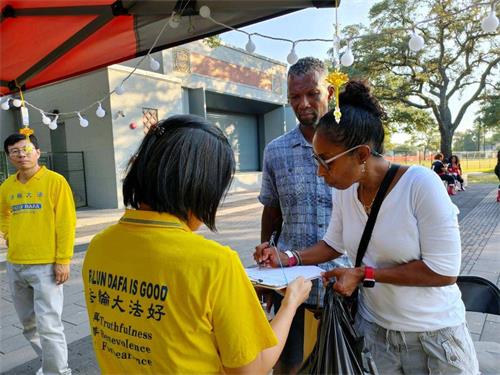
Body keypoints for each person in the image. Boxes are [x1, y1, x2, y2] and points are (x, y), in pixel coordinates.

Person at [256, 80, 479, 374]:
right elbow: (332, 244)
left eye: (326, 162)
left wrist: (363, 274)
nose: (320, 172)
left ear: (361, 155)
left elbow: (444, 271)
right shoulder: (345, 191)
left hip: (433, 337)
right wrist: (287, 258)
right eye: (316, 160)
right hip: (375, 334)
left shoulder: (421, 186)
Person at [82, 114, 312, 374]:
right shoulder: (214, 263)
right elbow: (252, 369)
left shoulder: (99, 246)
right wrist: (291, 302)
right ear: (201, 188)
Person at [258, 57, 351, 373]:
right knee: (288, 366)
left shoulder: (353, 146)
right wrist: (266, 272)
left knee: (342, 364)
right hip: (292, 287)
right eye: (294, 97)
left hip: (343, 283)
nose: (304, 104)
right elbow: (272, 213)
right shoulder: (276, 151)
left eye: (312, 94)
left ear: (329, 91)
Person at [0, 133, 75, 375]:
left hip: (46, 266)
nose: (21, 154)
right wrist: (9, 234)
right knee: (29, 325)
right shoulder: (7, 186)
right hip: (16, 264)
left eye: (26, 149)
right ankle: (50, 363)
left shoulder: (55, 181)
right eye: (15, 151)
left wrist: (63, 260)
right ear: (8, 157)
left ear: (38, 152)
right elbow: (3, 214)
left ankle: (58, 371)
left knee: (49, 325)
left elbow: (66, 223)